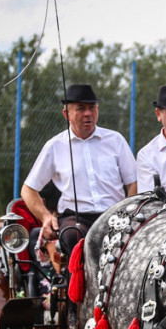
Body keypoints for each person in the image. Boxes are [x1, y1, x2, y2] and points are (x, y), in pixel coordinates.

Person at [21, 83, 137, 256]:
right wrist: (46, 217)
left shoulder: (116, 140)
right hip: (76, 218)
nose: (88, 113)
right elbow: (28, 189)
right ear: (66, 114)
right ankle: (77, 283)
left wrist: (129, 210)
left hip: (115, 214)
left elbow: (134, 182)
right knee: (72, 237)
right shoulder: (54, 146)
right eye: (81, 108)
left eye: (92, 108)